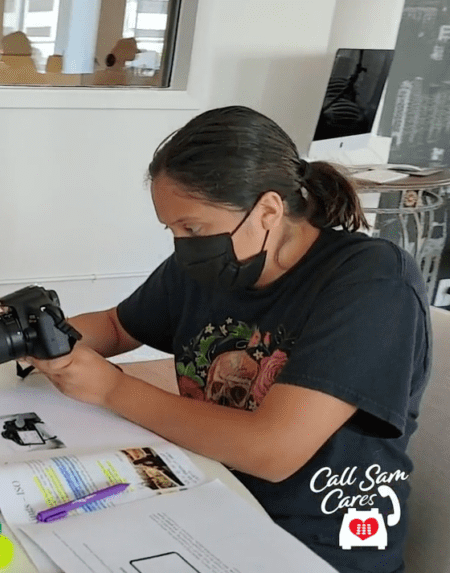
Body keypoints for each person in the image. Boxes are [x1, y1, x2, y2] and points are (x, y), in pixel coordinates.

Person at [25, 106, 430, 573]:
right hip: (209, 498)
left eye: (193, 228)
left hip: (315, 544)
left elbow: (272, 451)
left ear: (268, 211)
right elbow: (118, 326)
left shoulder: (372, 284)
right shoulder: (206, 266)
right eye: (173, 229)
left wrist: (114, 388)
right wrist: (44, 332)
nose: (182, 245)